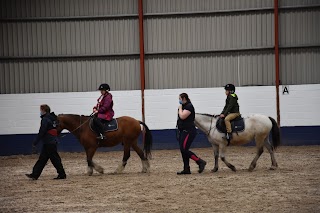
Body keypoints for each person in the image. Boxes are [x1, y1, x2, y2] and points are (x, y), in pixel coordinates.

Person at [26, 104, 66, 180]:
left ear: (44, 111)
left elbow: (42, 131)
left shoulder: (45, 119)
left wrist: (35, 142)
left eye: (41, 110)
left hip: (48, 142)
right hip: (51, 141)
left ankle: (62, 174)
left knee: (53, 159)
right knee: (44, 159)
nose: (40, 112)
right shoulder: (53, 118)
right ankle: (35, 174)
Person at [176, 93, 206, 175]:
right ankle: (186, 168)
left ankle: (199, 161)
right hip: (183, 131)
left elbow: (182, 116)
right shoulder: (184, 106)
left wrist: (180, 109)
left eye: (180, 98)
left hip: (189, 131)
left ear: (184, 98)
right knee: (183, 150)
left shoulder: (189, 106)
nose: (179, 100)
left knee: (184, 150)